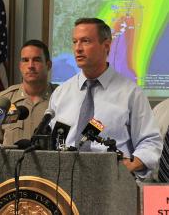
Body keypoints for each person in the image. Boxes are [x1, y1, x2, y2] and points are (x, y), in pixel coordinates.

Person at [49, 17, 162, 179]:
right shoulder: (61, 93)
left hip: (111, 182)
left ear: (106, 46)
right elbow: (52, 142)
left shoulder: (130, 93)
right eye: (75, 42)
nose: (78, 48)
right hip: (65, 181)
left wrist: (130, 165)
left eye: (85, 41)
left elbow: (150, 142)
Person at [0, 39, 57, 146]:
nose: (30, 66)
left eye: (37, 60)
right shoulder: (5, 99)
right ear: (20, 66)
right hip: (10, 162)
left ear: (48, 65)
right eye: (25, 60)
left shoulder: (60, 97)